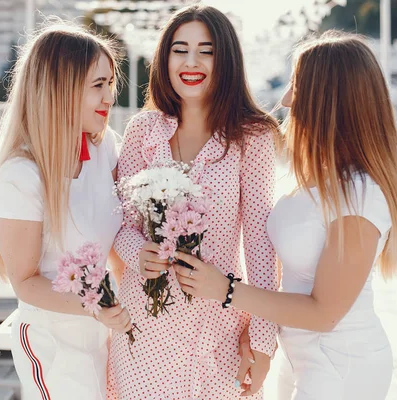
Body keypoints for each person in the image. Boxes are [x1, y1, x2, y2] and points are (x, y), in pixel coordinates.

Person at [174, 31, 397, 400]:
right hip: (299, 355)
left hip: (343, 364)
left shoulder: (360, 195)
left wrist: (226, 289)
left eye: (296, 85)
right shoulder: (318, 179)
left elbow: (324, 313)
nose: (285, 99)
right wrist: (258, 334)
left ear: (328, 100)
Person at [108, 4, 282, 399]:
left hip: (217, 327)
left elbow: (258, 241)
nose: (191, 62)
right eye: (179, 49)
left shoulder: (251, 137)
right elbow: (120, 222)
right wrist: (138, 252)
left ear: (227, 60)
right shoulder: (143, 130)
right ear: (164, 58)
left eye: (206, 51)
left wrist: (262, 339)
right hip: (143, 327)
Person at [0, 23, 131, 400]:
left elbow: (118, 241)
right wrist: (95, 307)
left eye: (110, 84)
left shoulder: (105, 150)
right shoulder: (21, 176)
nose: (109, 97)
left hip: (104, 337)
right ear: (59, 89)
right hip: (53, 347)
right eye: (97, 85)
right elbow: (25, 281)